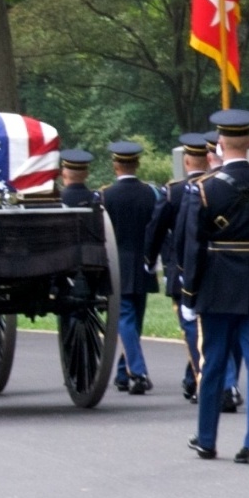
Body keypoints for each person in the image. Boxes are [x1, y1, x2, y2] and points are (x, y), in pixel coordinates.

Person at [179, 107, 249, 464]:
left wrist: (188, 294)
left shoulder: (203, 189)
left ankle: (207, 439)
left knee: (213, 365)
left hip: (217, 284)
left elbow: (193, 247)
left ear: (220, 145)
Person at [147, 132, 212, 401]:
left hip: (182, 270)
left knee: (191, 330)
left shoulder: (173, 191)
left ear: (187, 162)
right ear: (207, 161)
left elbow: (156, 230)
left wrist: (149, 261)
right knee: (204, 330)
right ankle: (192, 377)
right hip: (214, 267)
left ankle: (203, 382)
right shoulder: (214, 186)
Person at [102, 140, 161, 395]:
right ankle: (123, 373)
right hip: (144, 261)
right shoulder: (152, 193)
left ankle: (136, 371)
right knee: (135, 319)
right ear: (136, 164)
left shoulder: (105, 196)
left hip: (117, 263)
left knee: (126, 319)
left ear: (116, 165)